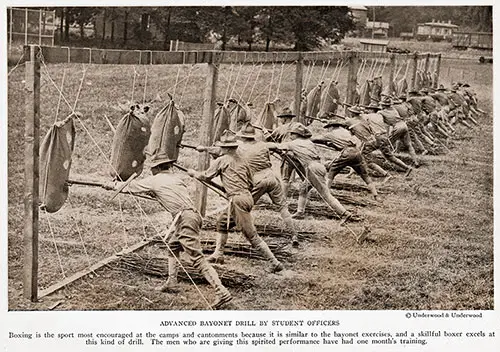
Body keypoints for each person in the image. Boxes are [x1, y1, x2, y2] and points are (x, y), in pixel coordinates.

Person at [104, 159, 232, 310]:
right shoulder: (176, 179)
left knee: (197, 258)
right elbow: (169, 194)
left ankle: (221, 290)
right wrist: (155, 194)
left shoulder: (155, 180)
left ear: (156, 168)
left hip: (184, 219)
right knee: (173, 245)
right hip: (193, 216)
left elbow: (128, 187)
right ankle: (172, 281)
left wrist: (111, 185)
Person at [187, 131, 284, 273]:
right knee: (221, 222)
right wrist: (233, 190)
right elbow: (251, 183)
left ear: (226, 148)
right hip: (247, 197)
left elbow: (206, 176)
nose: (220, 149)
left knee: (251, 235)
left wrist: (194, 173)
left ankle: (275, 263)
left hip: (238, 200)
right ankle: (218, 254)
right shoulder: (243, 160)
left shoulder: (222, 160)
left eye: (222, 147)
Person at [270, 123, 359, 222]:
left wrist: (262, 145)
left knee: (325, 194)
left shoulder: (294, 143)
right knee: (303, 188)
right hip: (317, 166)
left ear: (297, 134)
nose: (290, 136)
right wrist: (284, 153)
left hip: (313, 168)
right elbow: (299, 157)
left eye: (292, 134)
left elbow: (276, 145)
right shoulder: (308, 142)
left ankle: (344, 214)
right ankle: (300, 212)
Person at [236, 123, 300, 247]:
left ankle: (249, 234)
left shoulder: (240, 148)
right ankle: (294, 234)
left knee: (245, 207)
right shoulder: (262, 145)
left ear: (243, 137)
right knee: (282, 208)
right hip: (272, 177)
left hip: (257, 180)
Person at [311, 122, 379, 200]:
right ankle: (375, 195)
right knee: (364, 175)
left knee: (332, 171)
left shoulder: (330, 134)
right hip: (356, 152)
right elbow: (344, 144)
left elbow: (316, 139)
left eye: (328, 128)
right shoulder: (346, 132)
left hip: (346, 153)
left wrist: (307, 139)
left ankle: (325, 195)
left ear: (331, 127)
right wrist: (330, 145)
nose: (328, 130)